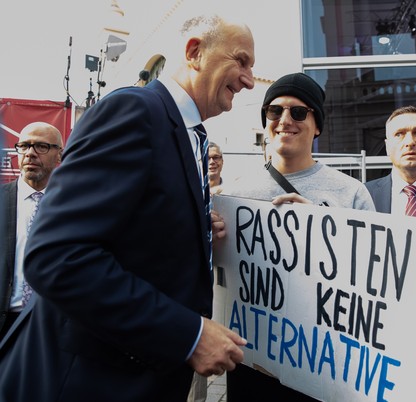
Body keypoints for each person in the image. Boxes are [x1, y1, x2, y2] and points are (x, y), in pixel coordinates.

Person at [0, 14, 255, 402]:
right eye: (241, 60)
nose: (250, 79)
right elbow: (56, 256)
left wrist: (199, 230)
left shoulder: (190, 135)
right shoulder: (134, 112)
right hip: (89, 383)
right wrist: (188, 334)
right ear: (195, 52)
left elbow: (133, 230)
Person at [224, 72, 375, 401]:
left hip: (324, 366)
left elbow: (370, 282)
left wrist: (323, 229)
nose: (284, 120)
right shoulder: (233, 194)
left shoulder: (352, 193)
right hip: (253, 364)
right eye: (274, 111)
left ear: (317, 124)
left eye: (298, 112)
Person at [0, 122, 63, 340]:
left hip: (51, 323)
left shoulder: (71, 205)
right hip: (5, 321)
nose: (30, 154)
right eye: (24, 146)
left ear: (59, 156)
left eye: (41, 147)